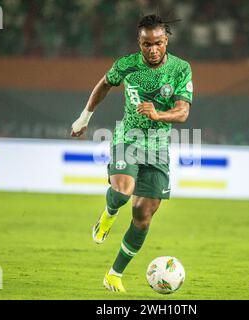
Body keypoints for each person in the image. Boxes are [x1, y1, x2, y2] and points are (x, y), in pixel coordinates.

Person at [70, 14, 193, 292]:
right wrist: (84, 117)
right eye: (146, 44)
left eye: (158, 43)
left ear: (166, 41)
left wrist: (158, 114)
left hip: (159, 149)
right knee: (123, 193)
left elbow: (183, 111)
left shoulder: (181, 69)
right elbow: (104, 84)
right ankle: (109, 213)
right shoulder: (126, 65)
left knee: (143, 215)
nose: (152, 49)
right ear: (139, 43)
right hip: (129, 139)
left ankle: (114, 274)